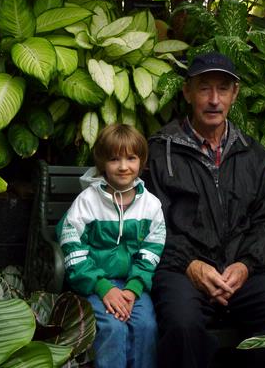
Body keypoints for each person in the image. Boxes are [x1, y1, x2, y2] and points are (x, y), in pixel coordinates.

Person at [146, 52, 265, 368]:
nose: (214, 100)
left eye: (223, 88)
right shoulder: (160, 151)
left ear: (235, 93)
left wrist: (245, 265)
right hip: (182, 270)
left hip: (245, 272)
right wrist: (191, 265)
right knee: (182, 326)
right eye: (204, 88)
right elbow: (150, 222)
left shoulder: (252, 155)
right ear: (187, 92)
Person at [57, 123, 166, 368]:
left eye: (131, 158)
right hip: (93, 284)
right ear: (102, 163)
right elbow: (72, 248)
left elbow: (152, 251)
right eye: (114, 159)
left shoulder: (151, 205)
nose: (123, 166)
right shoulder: (87, 202)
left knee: (146, 325)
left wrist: (133, 288)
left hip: (132, 285)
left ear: (142, 161)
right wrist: (103, 287)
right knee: (112, 327)